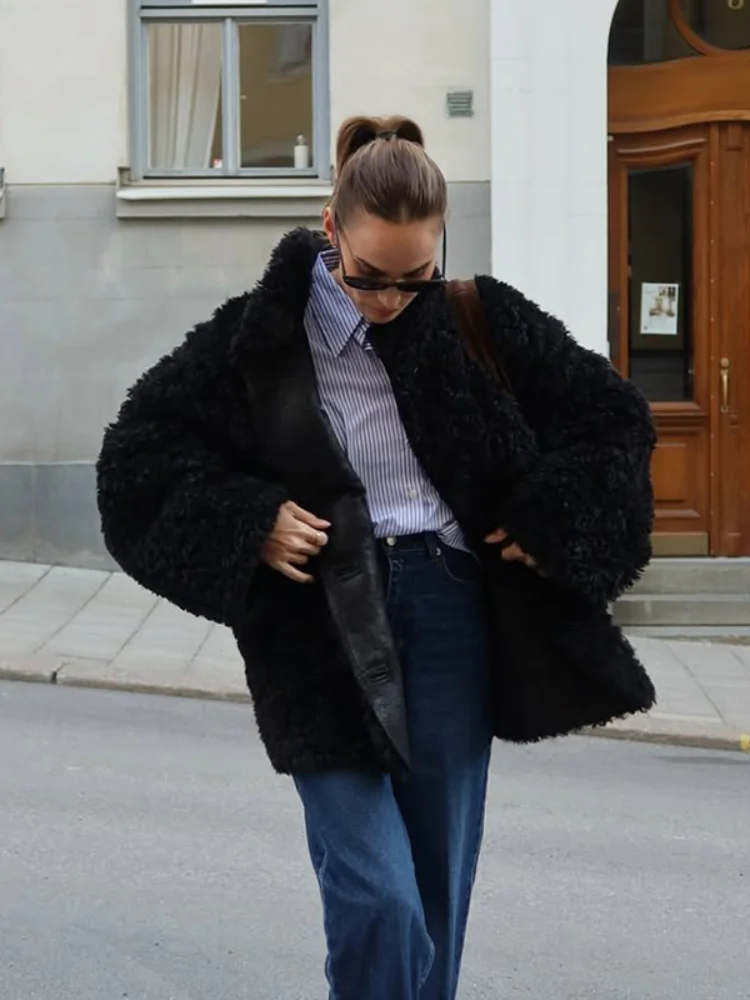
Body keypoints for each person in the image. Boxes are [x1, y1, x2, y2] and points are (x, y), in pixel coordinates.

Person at [96, 114, 656, 1000]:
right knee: (380, 903)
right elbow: (136, 460)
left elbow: (614, 420)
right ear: (332, 230)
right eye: (368, 276)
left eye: (414, 278)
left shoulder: (479, 317)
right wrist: (248, 520)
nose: (391, 299)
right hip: (316, 631)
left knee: (433, 896)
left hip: (451, 611)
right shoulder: (258, 341)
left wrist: (554, 519)